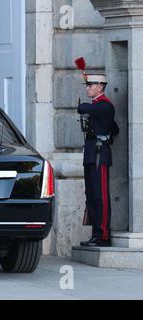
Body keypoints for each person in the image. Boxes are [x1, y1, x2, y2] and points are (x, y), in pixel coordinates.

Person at [78, 74, 119, 247]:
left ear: (100, 87)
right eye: (87, 85)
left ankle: (103, 235)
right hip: (90, 153)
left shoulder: (104, 106)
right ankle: (95, 233)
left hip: (99, 154)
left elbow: (82, 108)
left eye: (90, 85)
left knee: (99, 196)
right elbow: (114, 128)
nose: (87, 88)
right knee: (90, 195)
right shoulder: (97, 107)